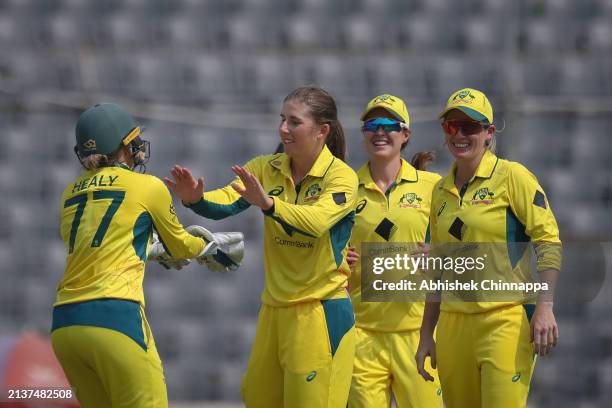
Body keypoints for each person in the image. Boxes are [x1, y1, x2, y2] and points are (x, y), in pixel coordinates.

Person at [165, 85, 359, 407]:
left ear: (322, 131)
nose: (283, 129)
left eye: (294, 122)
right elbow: (225, 202)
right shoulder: (266, 167)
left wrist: (269, 204)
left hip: (320, 311)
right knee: (257, 398)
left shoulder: (341, 177)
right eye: (282, 119)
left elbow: (316, 223)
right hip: (274, 311)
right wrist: (195, 198)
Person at [51, 103, 212, 408]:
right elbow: (180, 246)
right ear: (122, 145)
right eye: (132, 141)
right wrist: (205, 246)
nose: (137, 147)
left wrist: (148, 250)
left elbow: (99, 245)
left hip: (65, 325)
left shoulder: (69, 192)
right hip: (114, 316)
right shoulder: (147, 186)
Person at [415, 88, 562, 408]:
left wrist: (545, 305)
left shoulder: (513, 177)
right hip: (453, 328)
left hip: (503, 322)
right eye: (453, 126)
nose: (460, 135)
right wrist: (427, 334)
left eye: (470, 127)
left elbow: (548, 240)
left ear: (489, 133)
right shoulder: (439, 191)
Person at [345, 94, 443, 407]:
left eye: (389, 125)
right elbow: (323, 248)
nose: (380, 132)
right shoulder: (344, 187)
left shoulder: (433, 186)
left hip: (418, 333)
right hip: (362, 335)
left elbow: (462, 243)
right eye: (372, 124)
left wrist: (442, 256)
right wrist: (335, 259)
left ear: (406, 135)